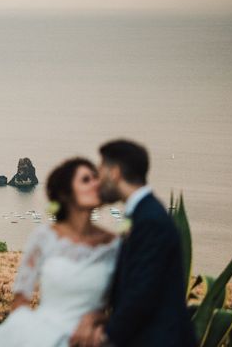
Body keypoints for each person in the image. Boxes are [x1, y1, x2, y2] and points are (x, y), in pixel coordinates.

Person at [70, 139, 196, 347]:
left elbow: (142, 292)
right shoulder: (143, 214)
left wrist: (105, 336)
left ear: (115, 173)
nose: (98, 181)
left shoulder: (150, 220)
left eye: (101, 171)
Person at [0, 158, 120, 347]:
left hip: (91, 338)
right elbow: (20, 301)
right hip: (42, 335)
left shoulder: (113, 244)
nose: (95, 183)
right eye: (85, 180)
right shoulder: (44, 238)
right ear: (66, 193)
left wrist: (98, 321)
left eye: (96, 178)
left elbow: (126, 304)